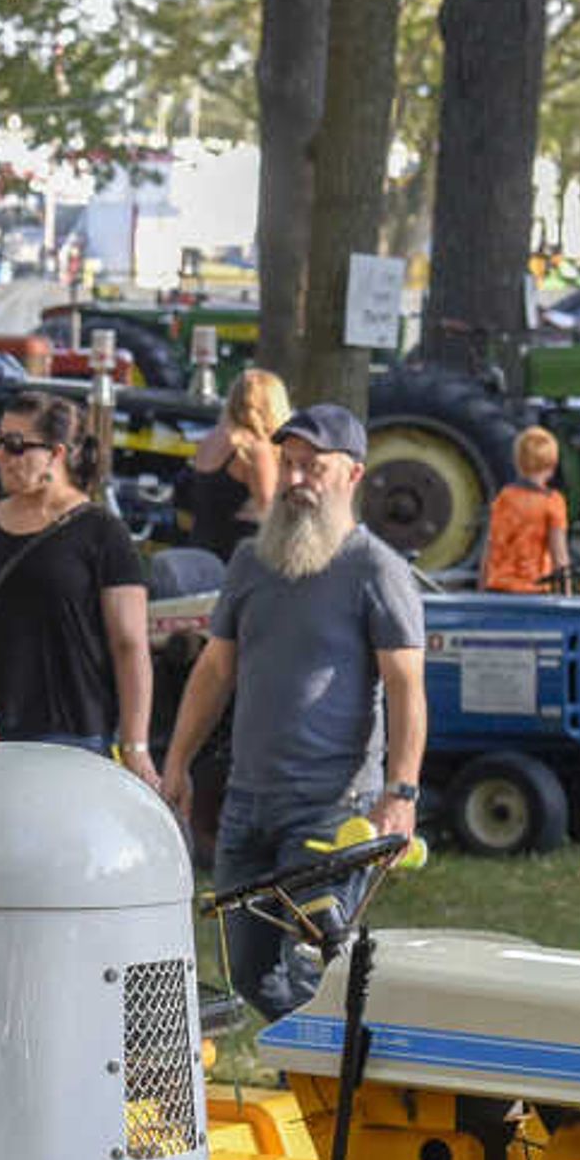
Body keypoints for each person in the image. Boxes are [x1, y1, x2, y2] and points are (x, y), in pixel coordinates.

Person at [158, 404, 428, 1019]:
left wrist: (402, 793)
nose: (298, 478)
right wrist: (176, 761)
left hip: (331, 808)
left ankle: (339, 1084)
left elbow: (407, 686)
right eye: (289, 464)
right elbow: (215, 669)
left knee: (320, 964)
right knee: (251, 973)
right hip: (246, 803)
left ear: (353, 476)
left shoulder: (376, 569)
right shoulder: (252, 562)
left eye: (315, 466)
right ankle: (325, 1069)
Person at [0, 391, 158, 784]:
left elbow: (130, 644)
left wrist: (136, 746)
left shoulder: (103, 534)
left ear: (57, 453)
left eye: (15, 446)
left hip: (65, 734)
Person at [177, 366, 289, 555]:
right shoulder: (253, 449)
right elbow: (270, 512)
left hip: (200, 546)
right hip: (235, 556)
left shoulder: (212, 438)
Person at [481, 425, 570, 594]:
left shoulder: (504, 498)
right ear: (551, 464)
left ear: (518, 461)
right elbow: (560, 557)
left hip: (499, 588)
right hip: (535, 590)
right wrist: (567, 595)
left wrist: (482, 591)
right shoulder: (553, 502)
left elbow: (490, 548)